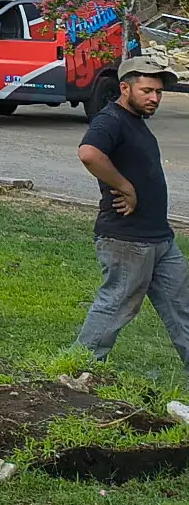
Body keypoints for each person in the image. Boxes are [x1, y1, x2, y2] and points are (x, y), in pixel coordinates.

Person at [76, 55, 189, 366]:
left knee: (183, 309)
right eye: (147, 91)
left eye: (158, 92)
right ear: (125, 88)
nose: (154, 98)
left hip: (159, 239)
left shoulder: (135, 122)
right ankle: (74, 374)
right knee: (116, 306)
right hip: (127, 239)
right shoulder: (110, 120)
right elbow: (88, 153)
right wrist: (125, 187)